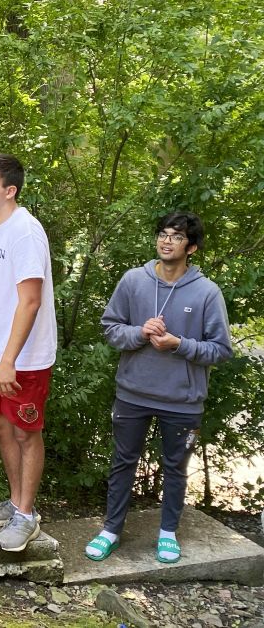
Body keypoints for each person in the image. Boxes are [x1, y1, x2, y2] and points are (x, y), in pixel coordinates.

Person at [85, 211, 232, 564]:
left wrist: (178, 344)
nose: (167, 241)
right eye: (163, 234)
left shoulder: (207, 292)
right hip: (132, 393)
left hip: (182, 400)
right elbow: (110, 328)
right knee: (122, 462)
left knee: (175, 467)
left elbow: (221, 350)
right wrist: (139, 332)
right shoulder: (134, 280)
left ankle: (167, 532)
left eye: (177, 236)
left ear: (191, 247)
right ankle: (111, 530)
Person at [0, 154, 57, 552]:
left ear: (10, 191)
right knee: (0, 426)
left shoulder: (25, 232)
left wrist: (8, 361)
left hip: (23, 359)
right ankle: (14, 503)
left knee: (25, 432)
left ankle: (26, 515)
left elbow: (31, 301)